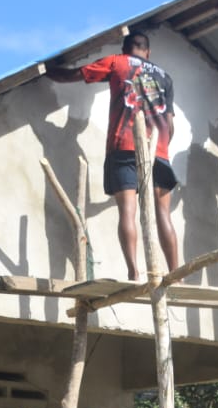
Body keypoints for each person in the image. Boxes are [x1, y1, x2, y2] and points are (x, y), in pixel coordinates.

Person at [47, 31, 179, 281]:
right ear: (147, 52)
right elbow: (170, 125)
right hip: (159, 151)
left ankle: (133, 272)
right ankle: (177, 274)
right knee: (163, 213)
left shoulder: (117, 62)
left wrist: (47, 71)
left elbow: (75, 75)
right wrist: (162, 146)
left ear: (126, 48)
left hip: (124, 147)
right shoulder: (166, 77)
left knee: (127, 212)